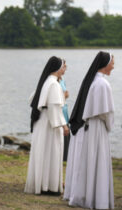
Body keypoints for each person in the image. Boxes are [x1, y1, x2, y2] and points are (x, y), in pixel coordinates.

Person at [64, 51, 114, 209]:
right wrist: (109, 125)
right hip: (98, 128)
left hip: (88, 127)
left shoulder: (92, 81)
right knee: (96, 162)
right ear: (105, 65)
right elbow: (106, 113)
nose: (114, 66)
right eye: (112, 63)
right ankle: (97, 199)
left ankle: (83, 195)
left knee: (87, 162)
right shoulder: (103, 84)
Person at [25, 56, 69, 195]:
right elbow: (54, 108)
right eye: (63, 66)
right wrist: (63, 125)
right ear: (57, 68)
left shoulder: (46, 81)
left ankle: (43, 184)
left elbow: (32, 99)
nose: (64, 69)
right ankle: (49, 187)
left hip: (42, 122)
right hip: (50, 124)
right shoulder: (54, 84)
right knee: (52, 153)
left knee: (43, 153)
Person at [58, 60, 70, 161]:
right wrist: (64, 96)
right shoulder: (54, 81)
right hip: (59, 113)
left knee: (67, 140)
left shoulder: (62, 80)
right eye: (64, 67)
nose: (65, 69)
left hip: (65, 113)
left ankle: (65, 159)